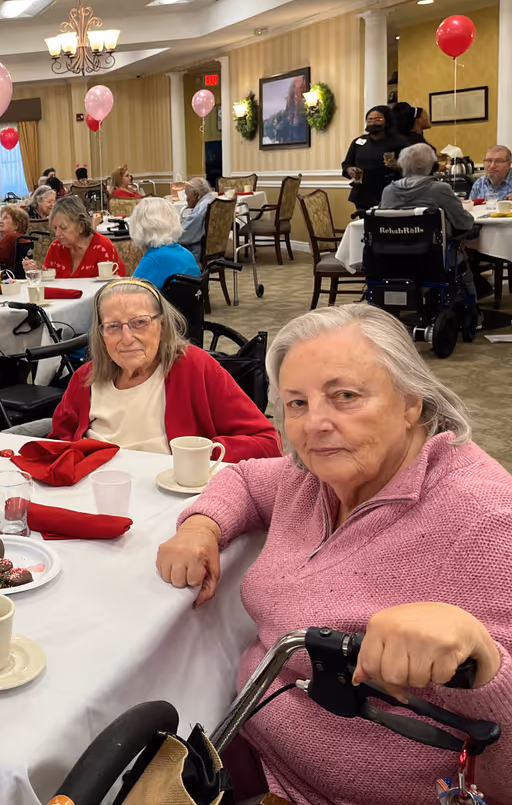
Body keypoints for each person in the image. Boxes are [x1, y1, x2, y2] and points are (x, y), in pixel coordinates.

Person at [155, 304, 512, 805]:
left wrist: (481, 657)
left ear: (412, 402)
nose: (314, 424)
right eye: (296, 403)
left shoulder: (485, 517)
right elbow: (244, 479)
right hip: (253, 744)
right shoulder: (316, 474)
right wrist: (200, 526)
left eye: (344, 396)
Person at [49, 278, 280, 458]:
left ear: (161, 325)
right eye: (113, 326)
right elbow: (57, 444)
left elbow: (267, 442)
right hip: (98, 495)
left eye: (139, 323)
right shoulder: (85, 378)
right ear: (101, 334)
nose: (127, 338)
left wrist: (200, 454)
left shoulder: (194, 367)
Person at [379, 143, 475, 237]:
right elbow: (463, 223)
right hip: (432, 250)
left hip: (392, 249)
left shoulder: (388, 191)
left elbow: (380, 224)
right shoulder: (439, 189)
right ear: (431, 164)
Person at [21, 196, 126, 279]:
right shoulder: (56, 247)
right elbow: (49, 284)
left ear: (81, 226)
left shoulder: (102, 247)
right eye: (55, 228)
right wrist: (35, 273)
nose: (57, 234)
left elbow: (111, 289)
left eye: (63, 228)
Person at [342, 104, 407, 214]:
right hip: (363, 194)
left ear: (387, 121)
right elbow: (346, 163)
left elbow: (411, 166)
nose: (373, 123)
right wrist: (350, 170)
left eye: (378, 119)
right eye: (370, 120)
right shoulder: (358, 142)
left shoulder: (400, 141)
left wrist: (398, 165)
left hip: (390, 192)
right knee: (366, 227)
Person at [128, 197, 201, 290]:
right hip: (188, 303)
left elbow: (131, 293)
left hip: (164, 304)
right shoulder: (185, 253)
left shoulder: (152, 261)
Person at [177, 177, 215, 256]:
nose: (186, 199)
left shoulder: (200, 209)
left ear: (195, 194)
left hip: (195, 253)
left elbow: (183, 235)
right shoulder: (212, 200)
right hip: (213, 247)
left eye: (187, 195)